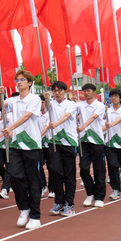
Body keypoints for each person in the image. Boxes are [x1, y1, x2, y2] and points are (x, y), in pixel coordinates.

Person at [0, 70, 43, 230]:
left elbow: (27, 116)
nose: (19, 82)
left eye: (22, 80)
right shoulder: (13, 100)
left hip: (31, 145)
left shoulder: (34, 99)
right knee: (15, 177)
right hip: (16, 144)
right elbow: (0, 105)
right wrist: (0, 95)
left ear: (30, 83)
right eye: (17, 80)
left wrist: (10, 127)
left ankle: (36, 217)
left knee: (32, 180)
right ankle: (24, 208)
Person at [43, 81, 78, 216]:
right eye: (54, 91)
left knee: (69, 174)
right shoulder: (52, 104)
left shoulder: (71, 104)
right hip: (54, 142)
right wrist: (46, 98)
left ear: (65, 91)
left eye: (59, 90)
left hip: (68, 142)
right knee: (55, 172)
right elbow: (46, 107)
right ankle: (59, 202)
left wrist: (55, 124)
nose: (57, 93)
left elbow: (66, 116)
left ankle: (69, 204)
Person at [76, 83, 107, 208]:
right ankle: (90, 193)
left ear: (94, 92)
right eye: (84, 91)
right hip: (83, 140)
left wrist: (83, 126)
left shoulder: (100, 105)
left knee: (99, 169)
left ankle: (99, 197)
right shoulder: (80, 105)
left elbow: (94, 117)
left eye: (88, 90)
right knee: (83, 168)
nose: (86, 93)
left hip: (97, 140)